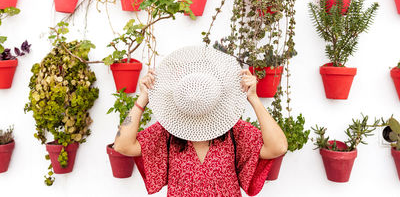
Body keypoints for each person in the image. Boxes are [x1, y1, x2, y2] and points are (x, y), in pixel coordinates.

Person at [114, 46, 288, 196]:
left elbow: (278, 147)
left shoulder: (233, 130)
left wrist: (254, 98)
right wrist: (143, 97)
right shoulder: (168, 131)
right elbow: (123, 146)